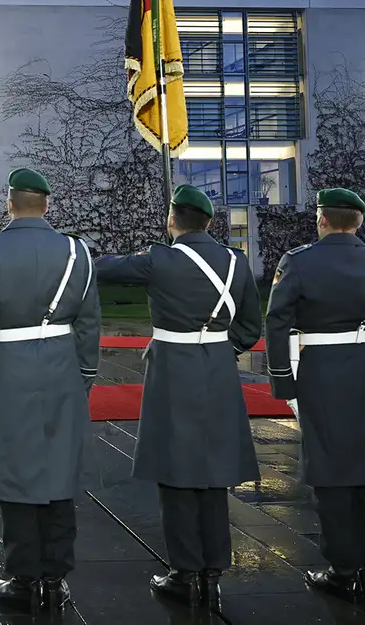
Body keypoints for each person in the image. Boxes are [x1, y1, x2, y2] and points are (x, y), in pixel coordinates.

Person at [93, 185, 262, 607]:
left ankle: (184, 571)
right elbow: (249, 327)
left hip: (172, 369)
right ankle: (213, 571)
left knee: (175, 470)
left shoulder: (159, 260)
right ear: (209, 222)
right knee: (215, 471)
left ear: (172, 220)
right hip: (218, 368)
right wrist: (219, 349)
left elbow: (102, 269)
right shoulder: (235, 261)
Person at [266, 188, 365, 603]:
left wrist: (283, 380)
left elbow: (277, 321)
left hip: (322, 370)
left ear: (322, 220)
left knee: (331, 471)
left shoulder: (298, 261)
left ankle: (342, 569)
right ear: (359, 222)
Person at [0, 168, 101, 613]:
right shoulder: (76, 252)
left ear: (10, 204)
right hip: (62, 368)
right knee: (59, 470)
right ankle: (55, 579)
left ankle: (24, 579)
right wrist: (84, 375)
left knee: (17, 472)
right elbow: (89, 322)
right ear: (47, 205)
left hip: (11, 370)